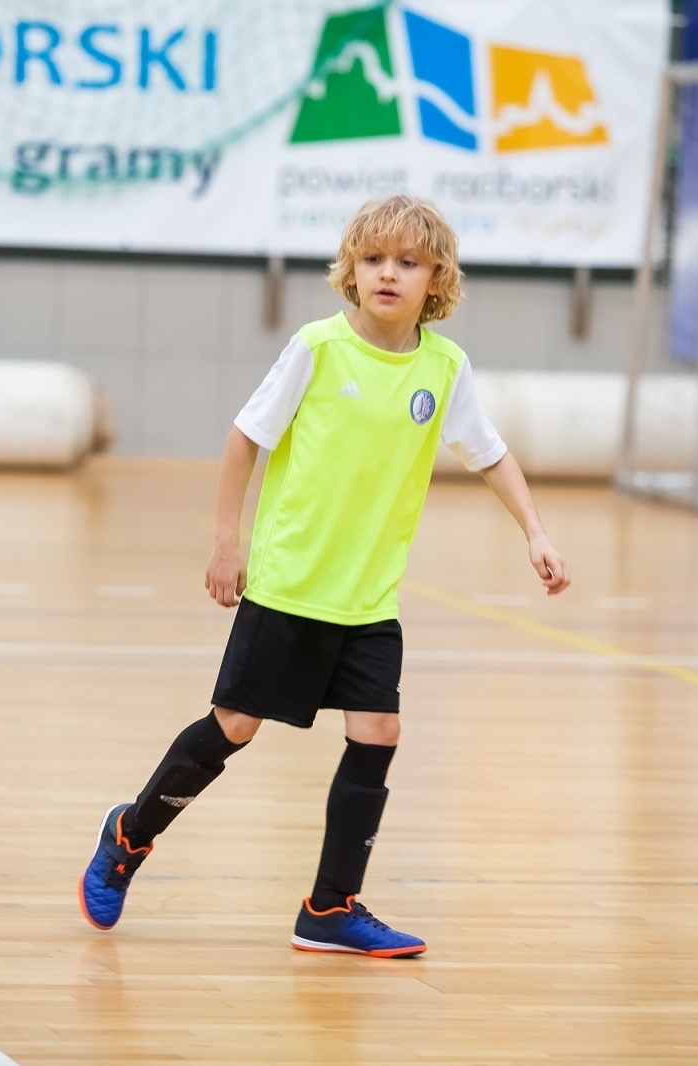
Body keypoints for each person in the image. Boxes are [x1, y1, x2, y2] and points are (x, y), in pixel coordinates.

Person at [79, 195, 570, 957]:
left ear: (435, 278)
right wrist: (224, 542)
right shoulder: (318, 347)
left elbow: (491, 454)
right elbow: (245, 438)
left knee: (380, 731)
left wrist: (535, 531)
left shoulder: (444, 368)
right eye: (374, 259)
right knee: (235, 728)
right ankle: (128, 835)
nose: (388, 274)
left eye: (407, 262)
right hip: (288, 586)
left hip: (369, 596)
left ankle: (331, 907)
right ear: (351, 269)